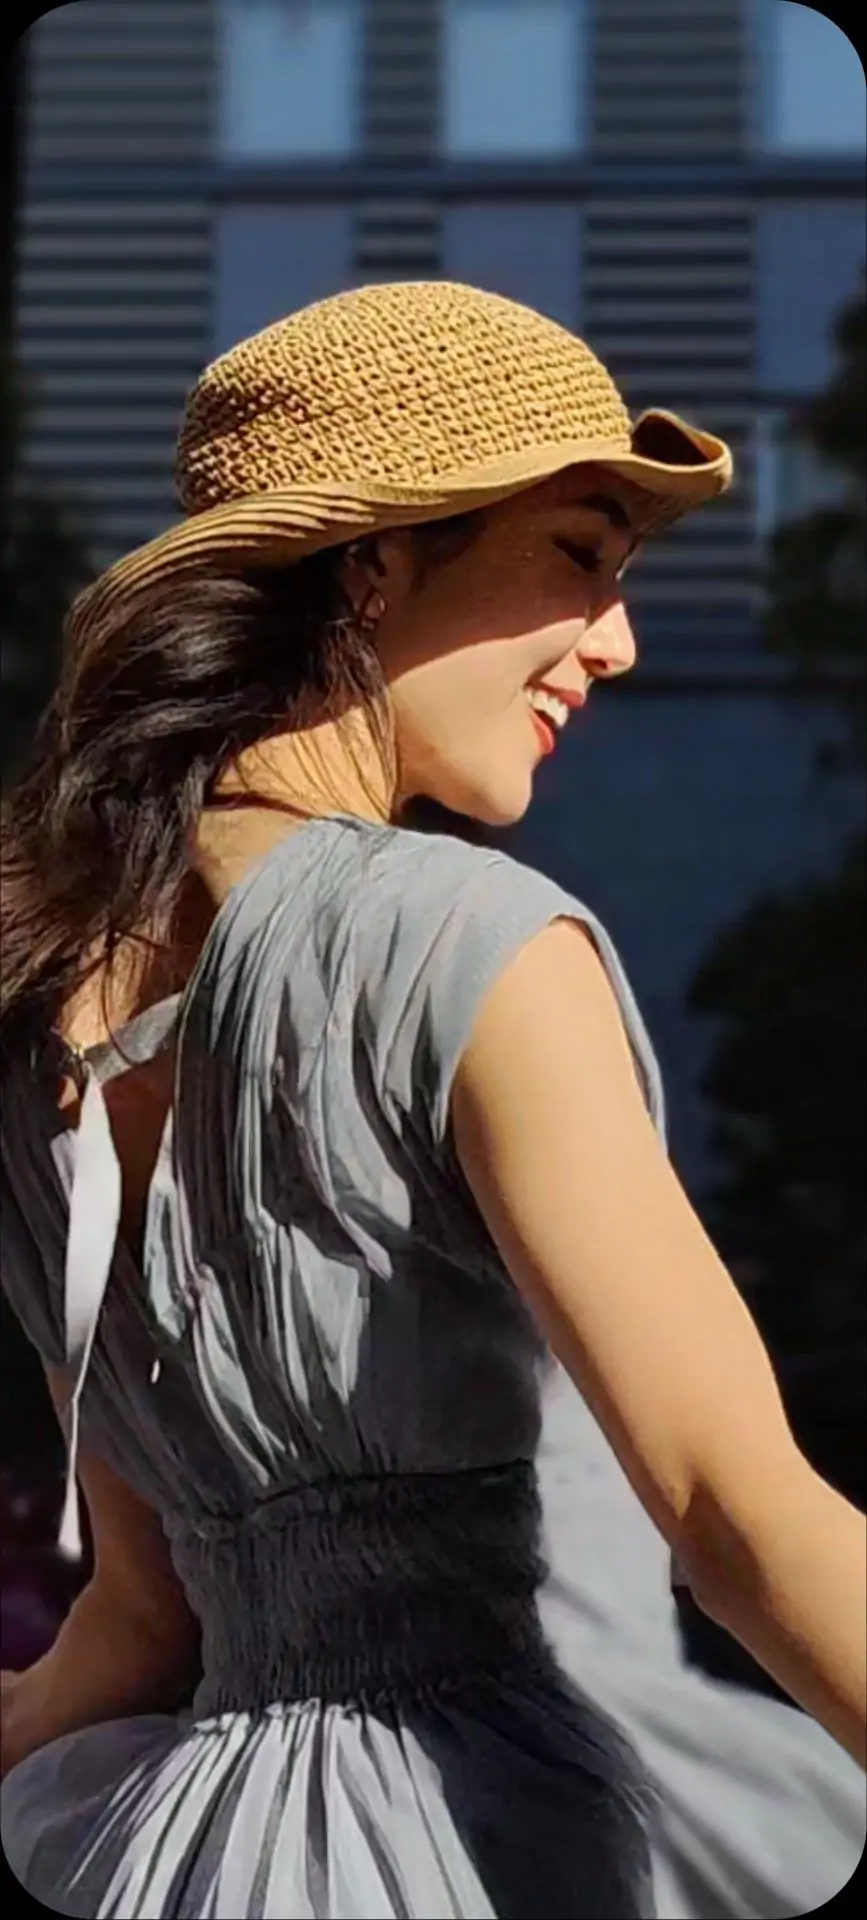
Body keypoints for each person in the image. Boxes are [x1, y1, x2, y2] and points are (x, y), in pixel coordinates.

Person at [0, 280, 863, 1920]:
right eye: (581, 555)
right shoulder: (472, 940)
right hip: (506, 1834)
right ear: (371, 564)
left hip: (189, 1856)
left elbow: (142, 1618)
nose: (617, 639)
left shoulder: (34, 1002)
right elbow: (728, 1507)